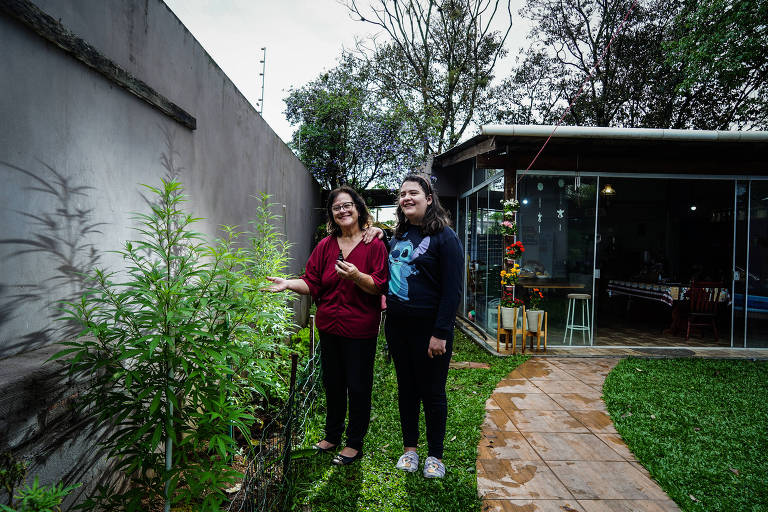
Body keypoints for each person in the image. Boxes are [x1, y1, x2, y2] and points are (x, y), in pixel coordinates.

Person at [265, 186, 388, 466]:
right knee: (333, 384)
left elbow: (379, 285)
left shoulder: (374, 245)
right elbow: (312, 281)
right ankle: (332, 435)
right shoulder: (325, 246)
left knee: (358, 387)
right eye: (337, 208)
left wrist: (357, 276)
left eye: (347, 206)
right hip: (330, 327)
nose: (343, 211)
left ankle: (354, 443)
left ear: (358, 209)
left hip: (360, 331)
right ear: (332, 214)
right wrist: (287, 284)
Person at [384, 174, 463, 479]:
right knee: (407, 389)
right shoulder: (397, 237)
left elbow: (452, 290)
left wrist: (441, 333)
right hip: (398, 328)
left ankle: (435, 456)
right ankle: (410, 451)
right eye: (402, 194)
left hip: (430, 331)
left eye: (413, 193)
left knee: (432, 392)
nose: (406, 198)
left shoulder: (445, 237)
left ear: (429, 199)